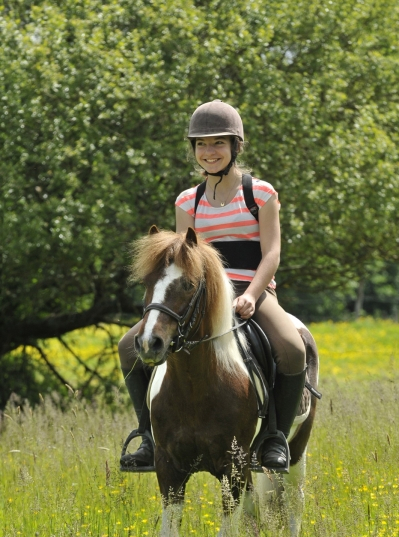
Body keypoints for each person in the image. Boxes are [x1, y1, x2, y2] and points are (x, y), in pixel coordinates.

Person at [119, 100, 306, 472]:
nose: (209, 152)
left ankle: (275, 438)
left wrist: (253, 295)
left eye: (218, 143)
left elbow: (272, 254)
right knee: (128, 347)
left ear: (236, 146)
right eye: (202, 145)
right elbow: (183, 258)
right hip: (203, 296)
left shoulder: (261, 194)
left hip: (253, 290)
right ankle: (148, 436)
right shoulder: (188, 200)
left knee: (292, 348)